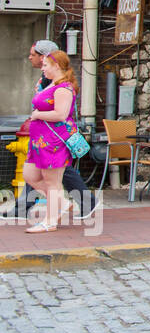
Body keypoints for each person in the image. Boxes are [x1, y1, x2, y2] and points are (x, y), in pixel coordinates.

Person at [4, 41, 98, 221]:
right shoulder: (47, 78)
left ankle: (48, 213)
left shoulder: (56, 81)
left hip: (52, 137)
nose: (30, 58)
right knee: (42, 173)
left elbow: (59, 112)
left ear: (44, 57)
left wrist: (38, 114)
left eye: (34, 54)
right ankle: (67, 204)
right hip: (43, 136)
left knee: (52, 173)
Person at [23, 51, 79, 232]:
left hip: (53, 141)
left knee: (52, 182)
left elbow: (61, 114)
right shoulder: (52, 85)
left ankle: (49, 221)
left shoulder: (63, 87)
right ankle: (61, 203)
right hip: (40, 141)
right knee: (30, 175)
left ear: (56, 65)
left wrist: (38, 115)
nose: (43, 68)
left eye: (46, 65)